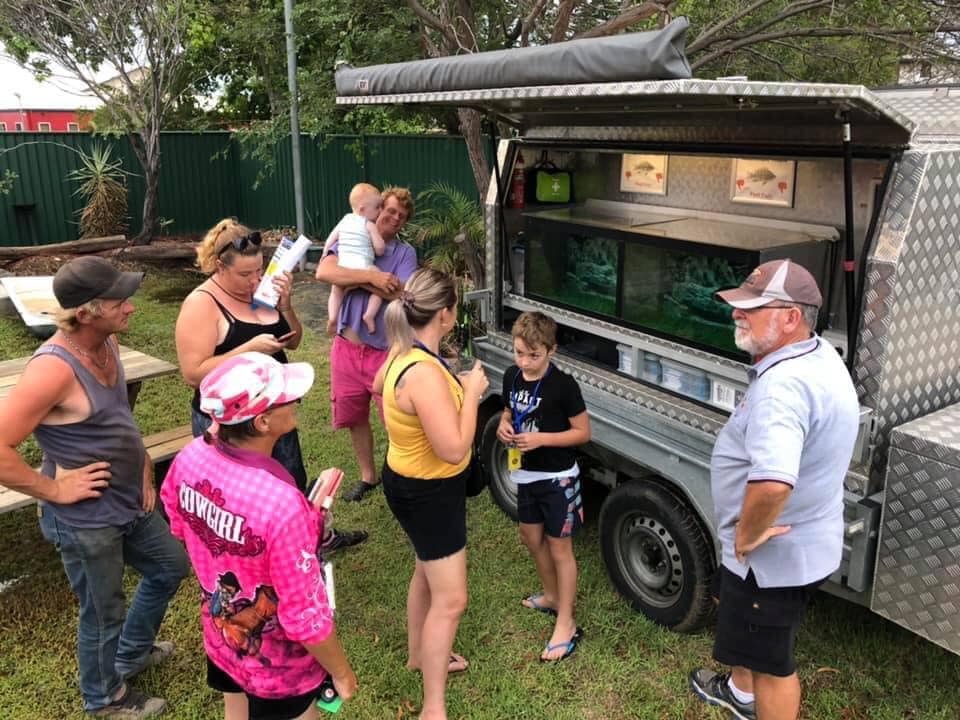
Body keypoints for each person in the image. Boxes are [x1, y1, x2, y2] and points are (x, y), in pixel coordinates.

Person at [0, 256, 190, 718]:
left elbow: (116, 420)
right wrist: (54, 491)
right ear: (85, 312)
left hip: (128, 501)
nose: (132, 308)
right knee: (103, 611)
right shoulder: (54, 369)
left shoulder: (106, 346)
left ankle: (131, 655)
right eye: (119, 300)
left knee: (170, 566)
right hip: (86, 520)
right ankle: (104, 697)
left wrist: (142, 460)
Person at [688, 260, 859, 720]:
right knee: (753, 639)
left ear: (790, 317)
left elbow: (774, 481)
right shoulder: (817, 353)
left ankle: (754, 695)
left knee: (773, 665)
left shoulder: (782, 387)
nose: (736, 315)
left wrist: (744, 536)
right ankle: (740, 693)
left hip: (771, 562)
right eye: (739, 305)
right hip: (804, 541)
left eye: (752, 308)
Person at [160, 352, 358, 720]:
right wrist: (342, 672)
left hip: (221, 641)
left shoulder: (189, 458)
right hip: (280, 669)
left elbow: (178, 523)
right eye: (287, 398)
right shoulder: (282, 505)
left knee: (235, 707)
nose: (297, 401)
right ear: (264, 421)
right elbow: (305, 617)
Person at [176, 218, 366, 553]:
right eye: (245, 274)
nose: (255, 280)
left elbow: (292, 342)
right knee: (241, 497)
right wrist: (247, 349)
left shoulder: (260, 293)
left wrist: (286, 306)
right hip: (230, 422)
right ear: (220, 266)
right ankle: (260, 556)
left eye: (258, 271)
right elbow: (194, 373)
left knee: (290, 478)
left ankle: (309, 541)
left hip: (275, 412)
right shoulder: (201, 304)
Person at [372, 267, 488, 720]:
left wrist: (450, 388)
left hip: (406, 479)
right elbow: (455, 447)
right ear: (445, 314)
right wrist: (472, 392)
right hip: (429, 493)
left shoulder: (404, 349)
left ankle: (419, 655)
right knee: (453, 598)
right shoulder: (423, 372)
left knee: (426, 569)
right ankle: (433, 707)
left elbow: (381, 385)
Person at [496, 311, 591, 662]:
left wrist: (541, 440)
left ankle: (566, 622)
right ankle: (552, 596)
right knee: (531, 539)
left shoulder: (564, 386)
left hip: (557, 479)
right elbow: (508, 411)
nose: (525, 362)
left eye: (533, 355)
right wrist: (503, 425)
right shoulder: (511, 376)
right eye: (519, 352)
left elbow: (583, 432)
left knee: (559, 547)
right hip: (525, 476)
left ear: (552, 350)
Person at [314, 187, 418, 503]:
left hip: (384, 352)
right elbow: (323, 271)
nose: (395, 219)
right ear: (375, 209)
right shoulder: (352, 233)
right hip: (346, 348)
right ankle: (368, 477)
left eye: (401, 217)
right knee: (354, 417)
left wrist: (351, 279)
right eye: (390, 211)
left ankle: (402, 475)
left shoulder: (404, 253)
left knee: (395, 418)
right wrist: (371, 278)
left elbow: (400, 293)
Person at [321, 182, 387, 336]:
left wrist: (325, 253)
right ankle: (369, 315)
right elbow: (379, 248)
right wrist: (380, 247)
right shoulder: (368, 224)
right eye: (377, 207)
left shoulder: (344, 220)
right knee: (380, 284)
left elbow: (331, 239)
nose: (379, 211)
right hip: (363, 266)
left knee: (336, 291)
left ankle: (332, 317)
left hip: (344, 266)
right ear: (363, 209)